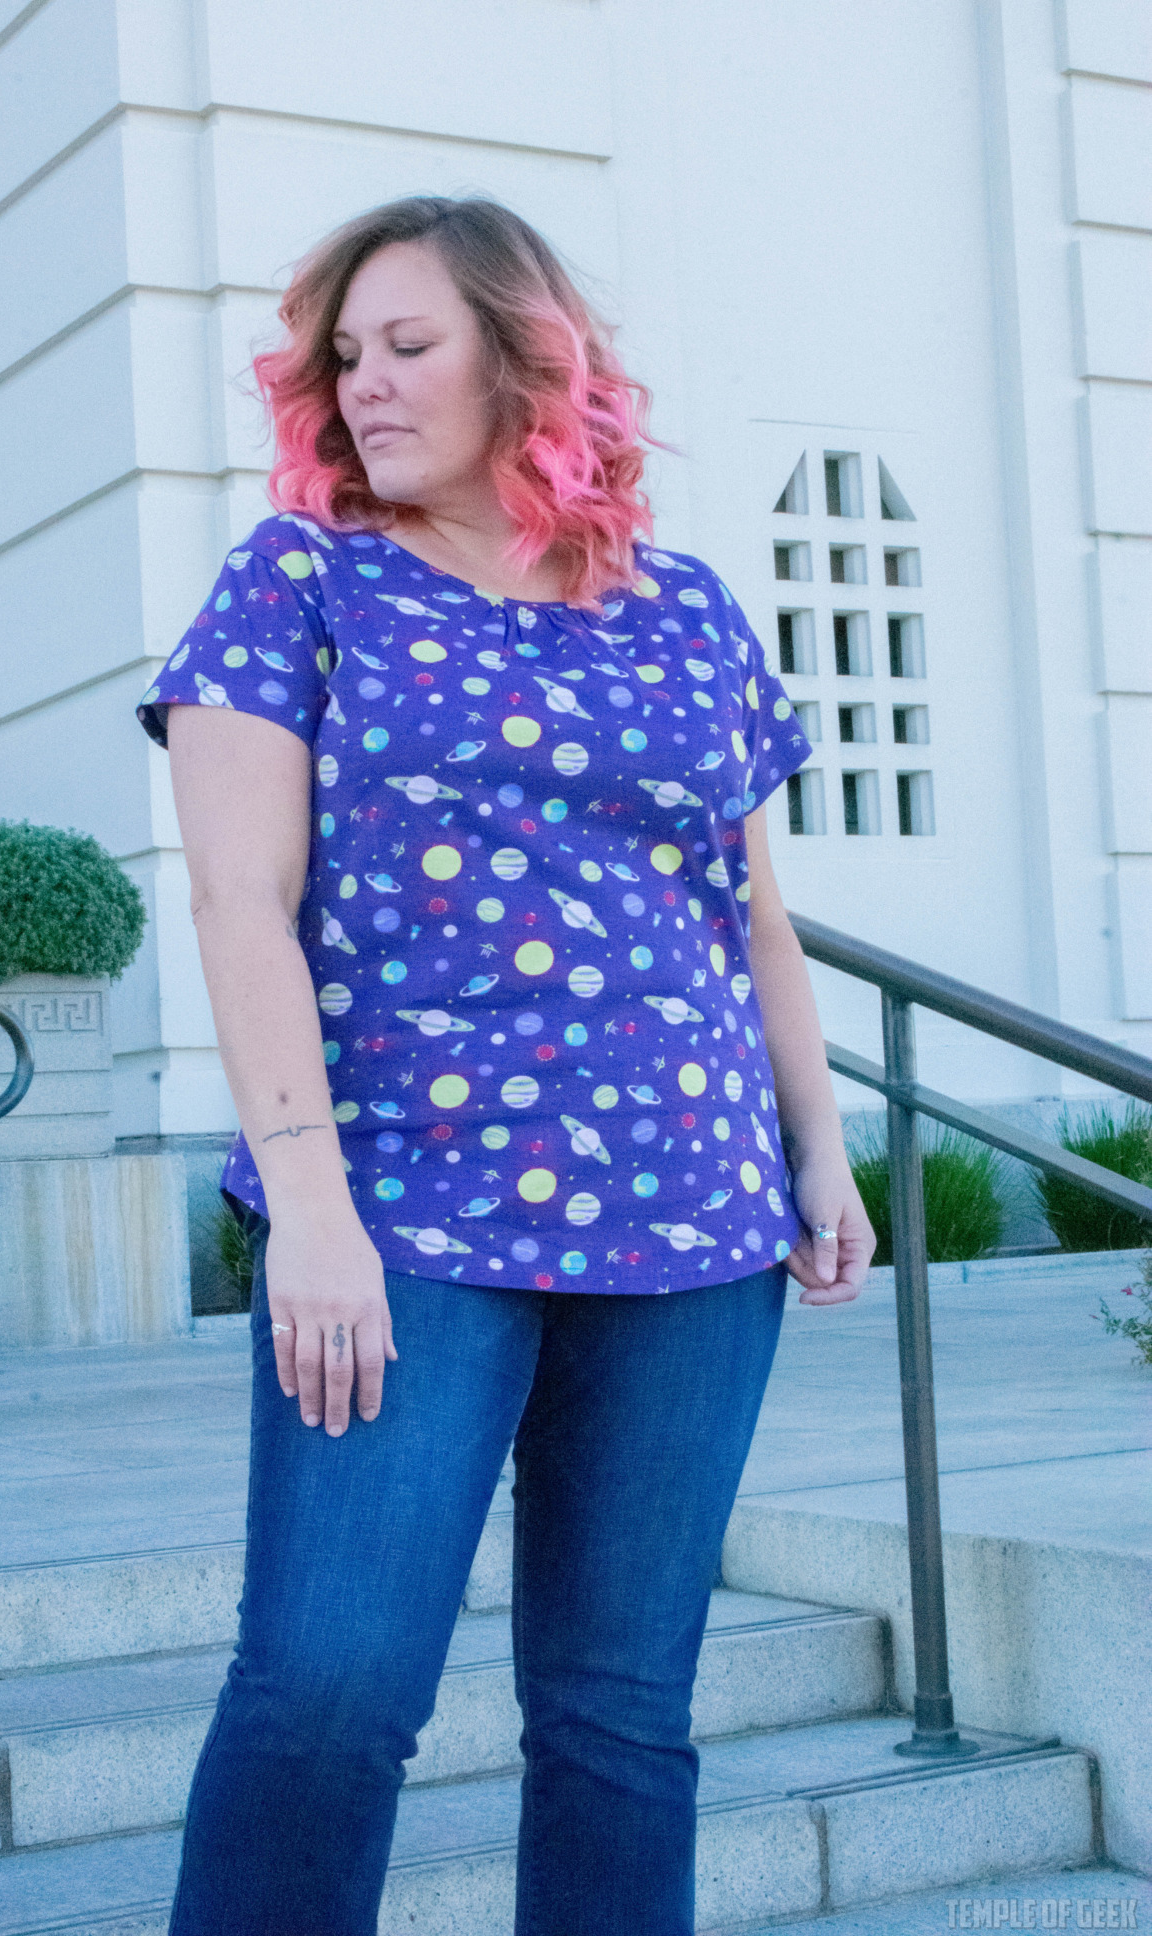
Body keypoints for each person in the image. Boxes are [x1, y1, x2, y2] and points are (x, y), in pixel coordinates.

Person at [137, 195, 874, 1936]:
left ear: (523, 361)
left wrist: (818, 1153)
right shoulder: (301, 579)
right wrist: (307, 1207)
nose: (365, 386)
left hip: (694, 1217)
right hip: (404, 1216)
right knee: (328, 1693)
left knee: (623, 1716)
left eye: (410, 346)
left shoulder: (682, 607)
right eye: (345, 355)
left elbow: (752, 919)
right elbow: (245, 903)